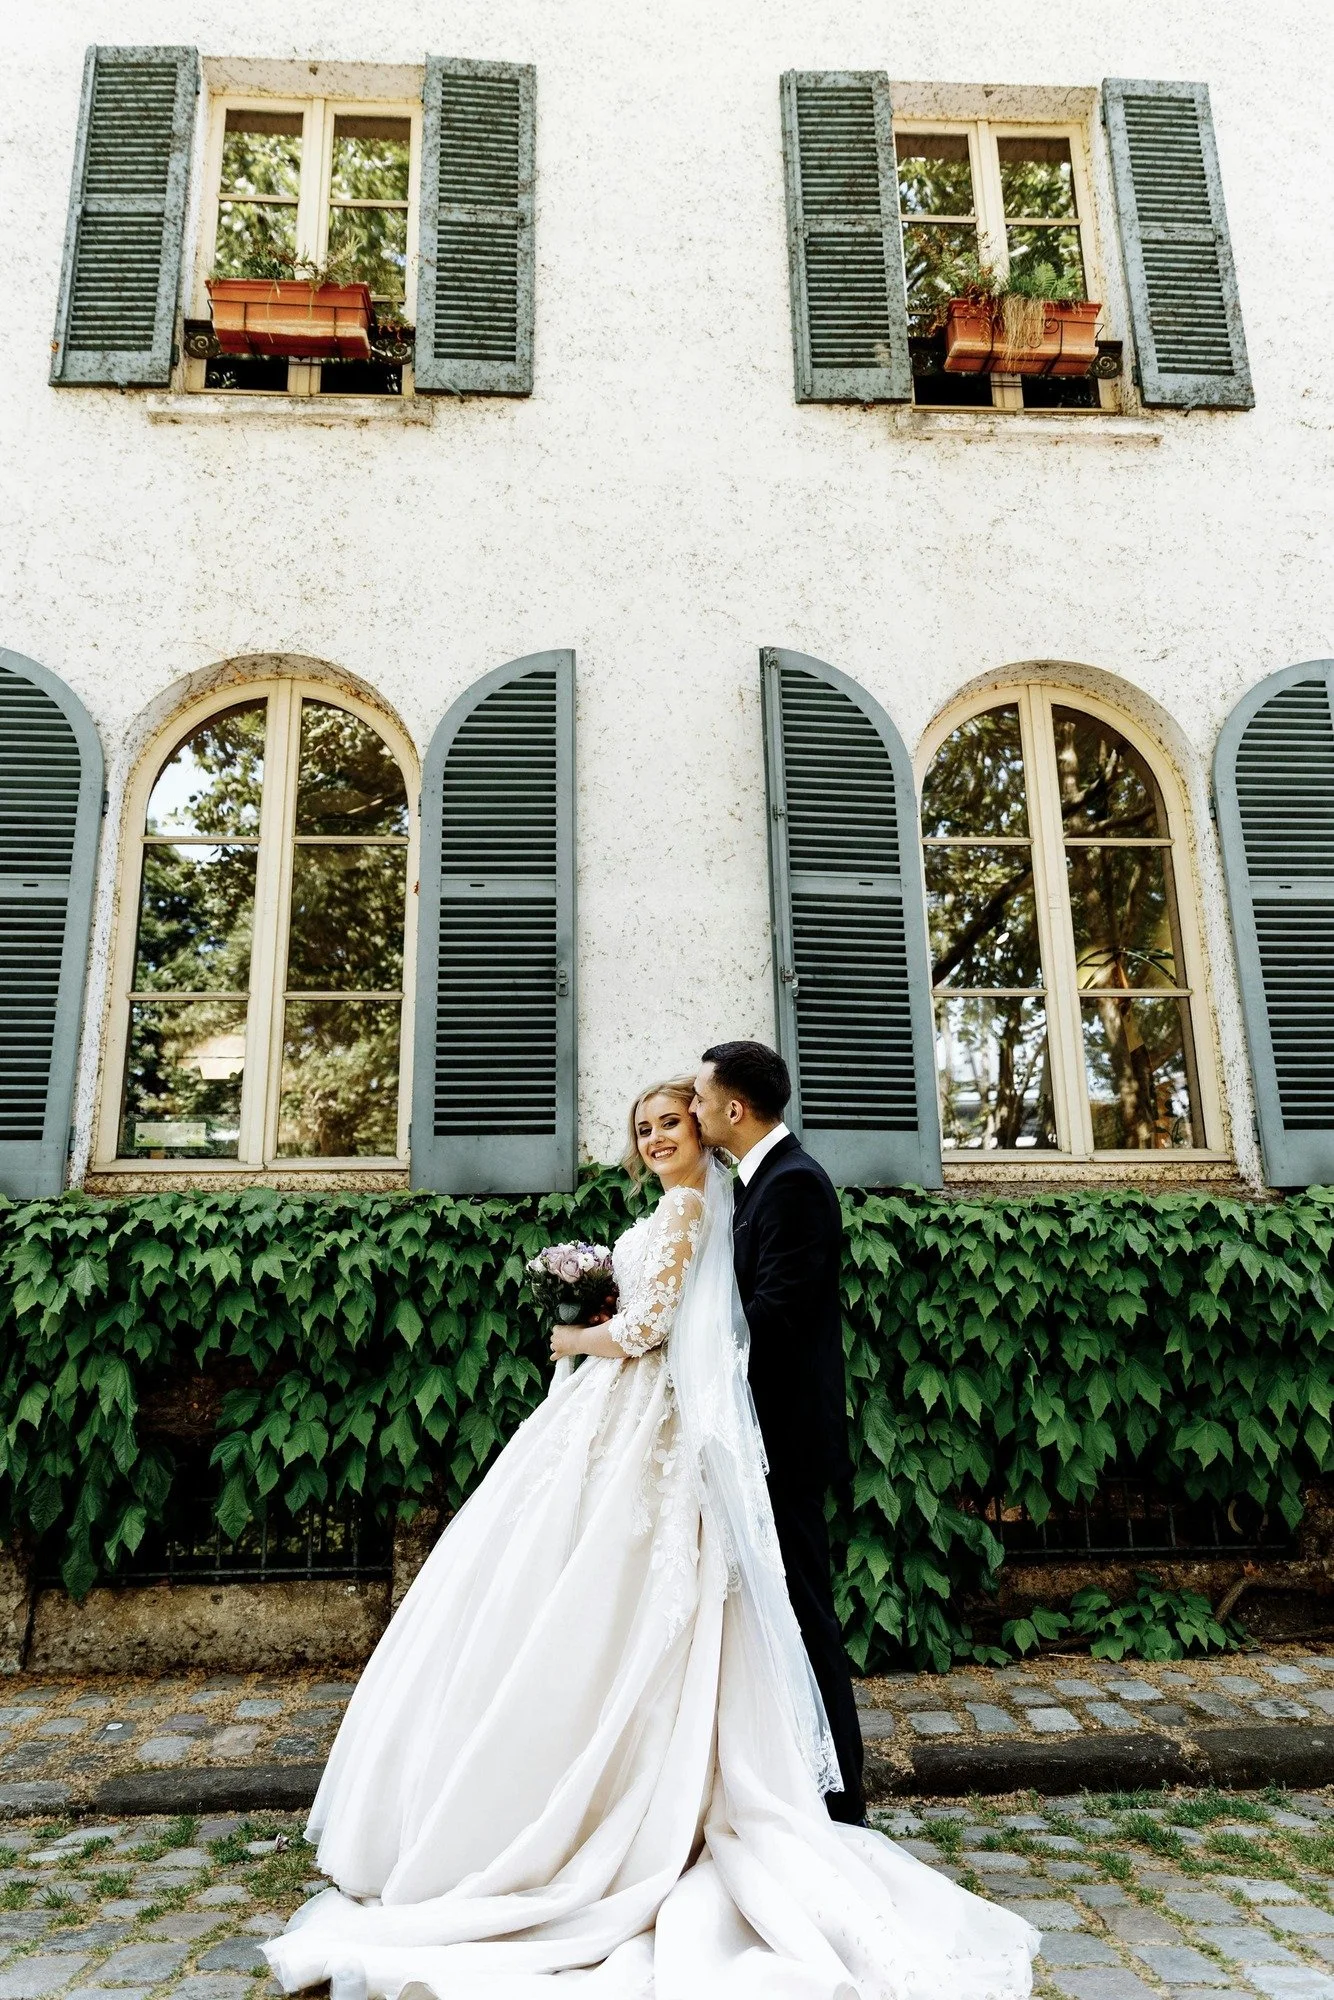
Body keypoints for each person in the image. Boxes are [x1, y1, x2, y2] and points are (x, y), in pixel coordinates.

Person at [265, 1077, 1037, 2000]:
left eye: (675, 1119)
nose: (662, 1134)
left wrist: (576, 1340)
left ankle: (677, 1808)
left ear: (713, 1121)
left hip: (646, 1421)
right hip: (624, 1422)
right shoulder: (694, 1202)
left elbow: (654, 1328)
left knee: (630, 1599)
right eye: (647, 1126)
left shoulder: (700, 1206)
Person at [691, 1040, 864, 1824]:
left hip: (785, 1443)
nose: (692, 1113)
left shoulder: (795, 1186)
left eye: (699, 1100)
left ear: (734, 1108)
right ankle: (790, 1785)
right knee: (773, 1611)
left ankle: (843, 1802)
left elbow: (774, 1318)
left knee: (804, 1612)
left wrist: (683, 1355)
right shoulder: (755, 1184)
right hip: (753, 1435)